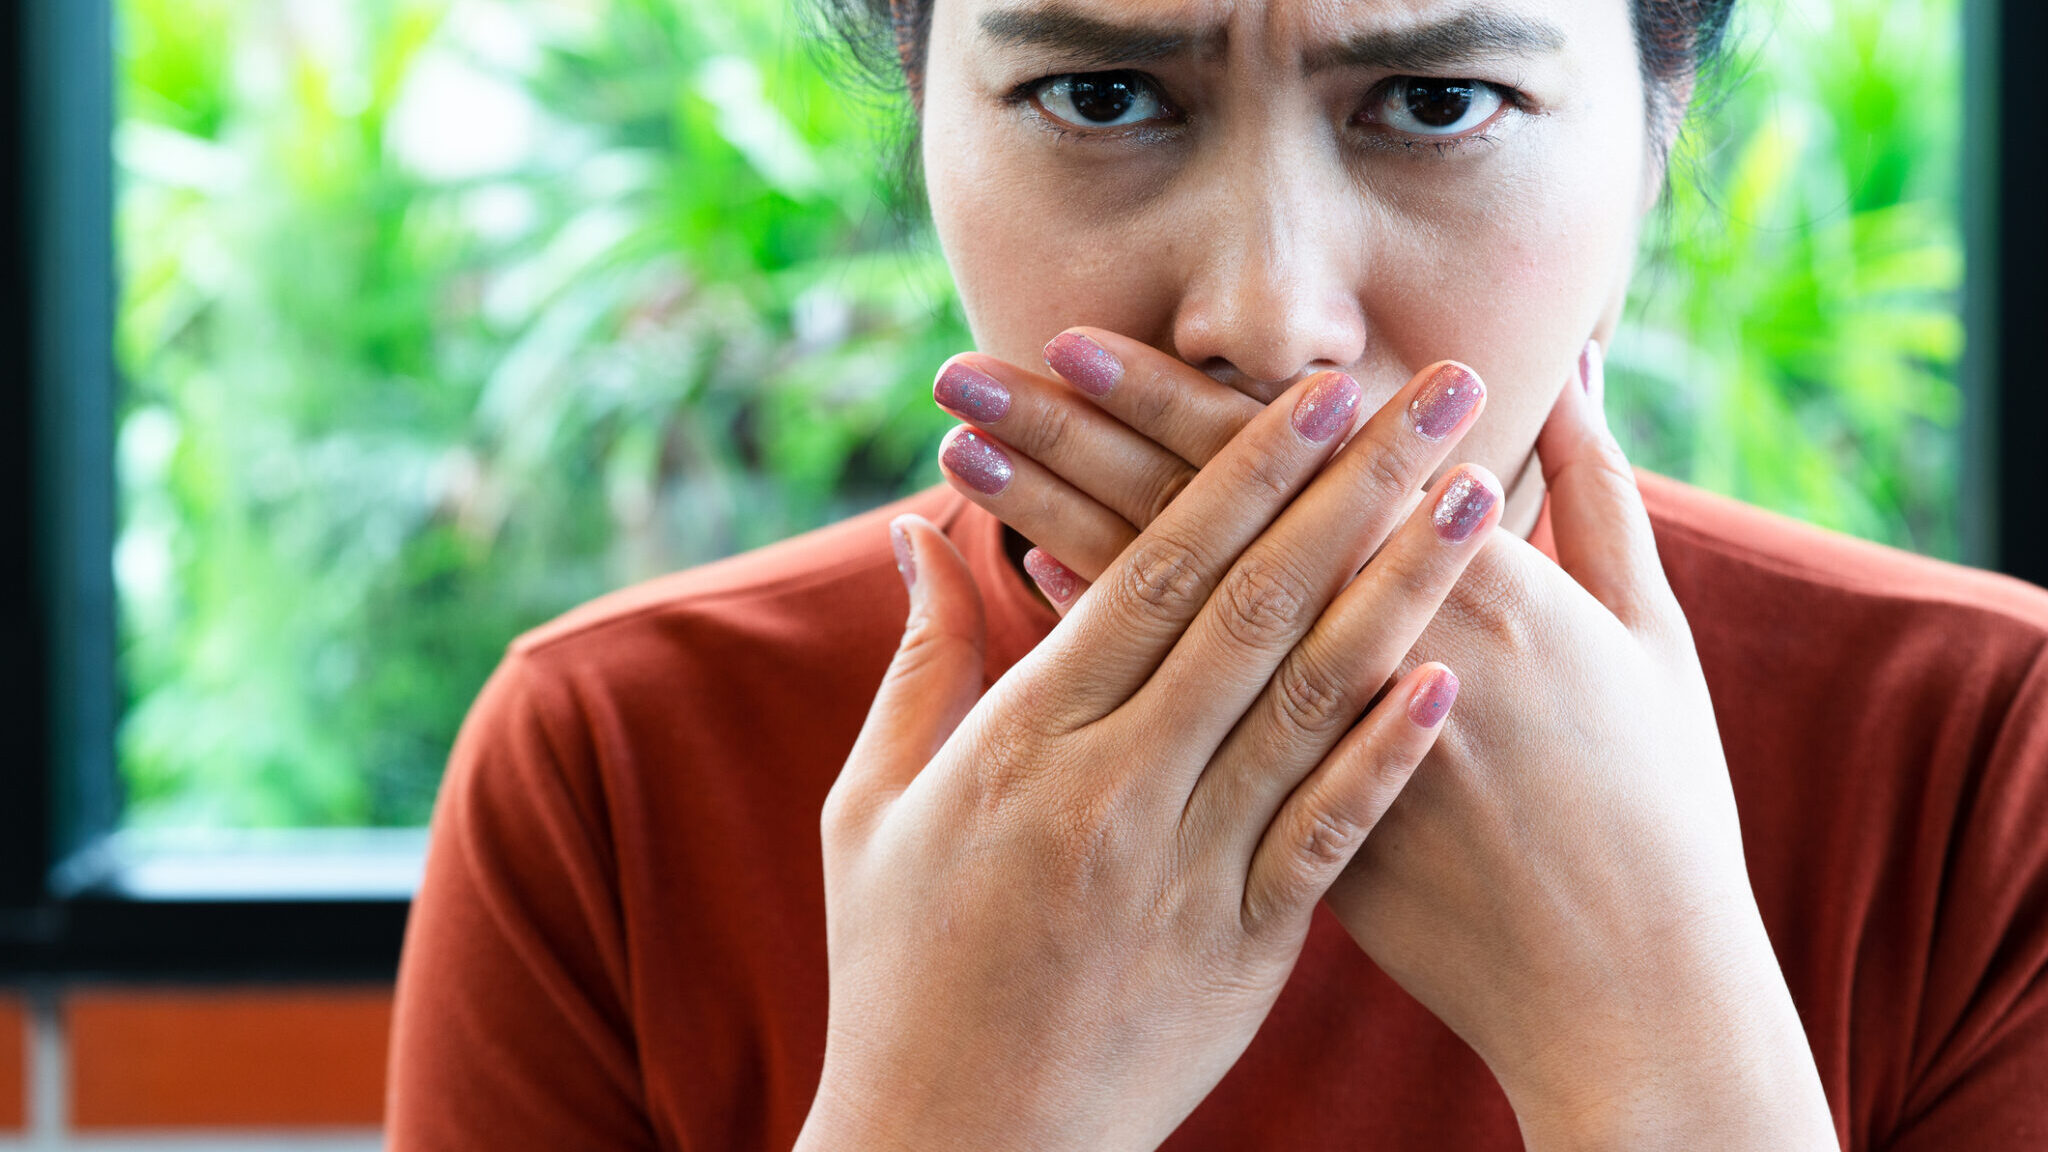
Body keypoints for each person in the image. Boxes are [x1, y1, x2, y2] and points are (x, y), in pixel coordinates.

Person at [386, 0, 2048, 1147]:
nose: (1263, 316)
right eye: (1104, 97)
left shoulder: (1992, 757)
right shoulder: (611, 764)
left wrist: (1672, 1057)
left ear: (1652, 125)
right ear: (922, 103)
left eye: (1435, 101)